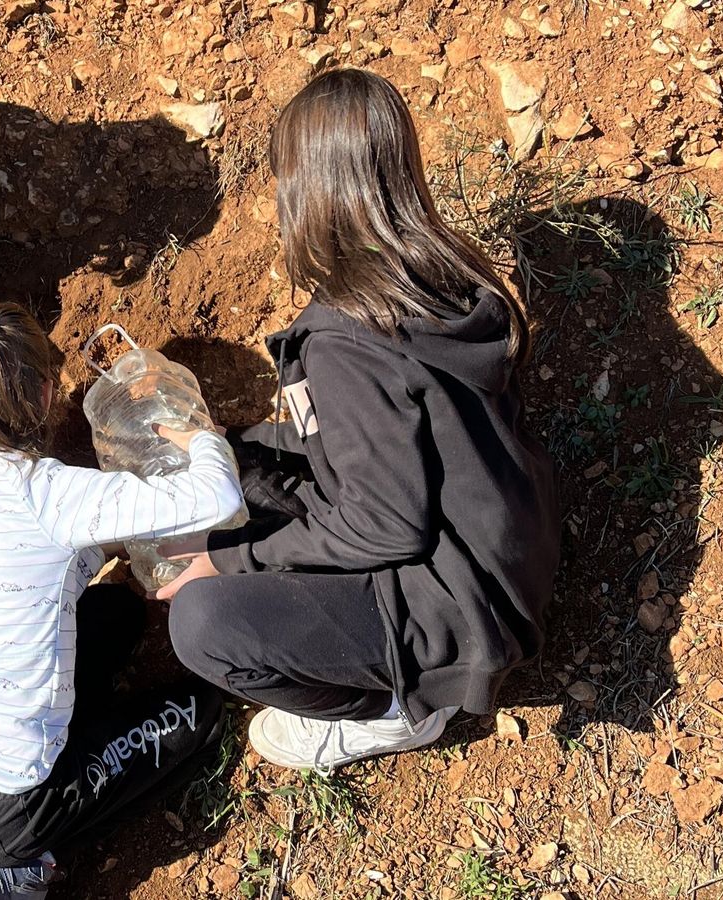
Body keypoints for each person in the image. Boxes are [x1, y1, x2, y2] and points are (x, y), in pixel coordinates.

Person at [157, 68, 561, 772]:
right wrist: (233, 448)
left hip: (455, 608)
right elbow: (371, 444)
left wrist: (228, 563)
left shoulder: (348, 341)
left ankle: (395, 712)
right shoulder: (435, 270)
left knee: (202, 622)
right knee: (234, 482)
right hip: (504, 555)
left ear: (310, 191)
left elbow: (385, 526)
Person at [0, 303, 244, 900]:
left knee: (118, 613)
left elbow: (32, 566)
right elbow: (214, 495)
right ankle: (23, 869)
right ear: (39, 392)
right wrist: (203, 436)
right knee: (199, 712)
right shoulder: (48, 492)